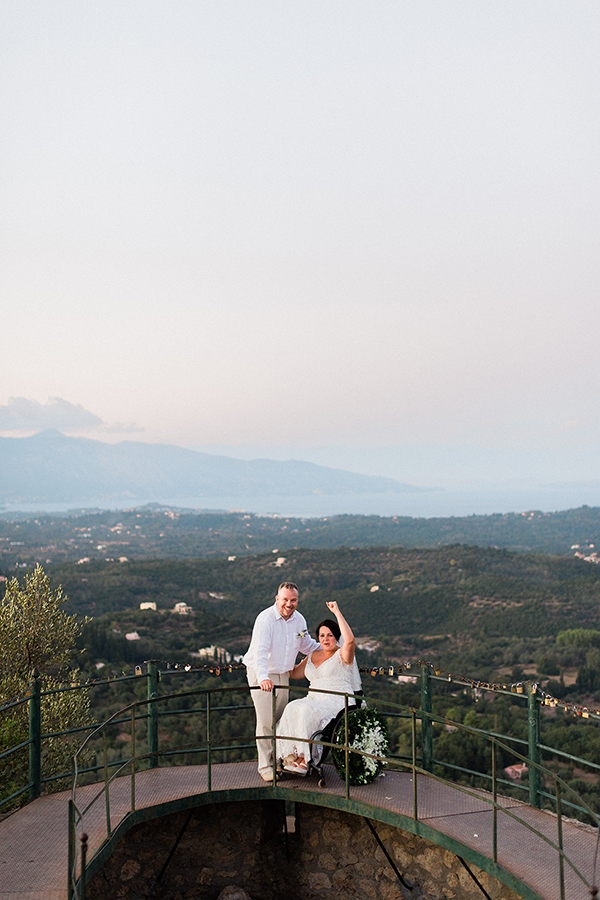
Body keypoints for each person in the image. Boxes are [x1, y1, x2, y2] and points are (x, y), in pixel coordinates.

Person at [243, 581, 319, 781]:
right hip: (262, 673)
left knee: (280, 720)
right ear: (277, 599)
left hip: (283, 674)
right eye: (285, 599)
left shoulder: (299, 621)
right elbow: (260, 652)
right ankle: (266, 767)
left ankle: (280, 761)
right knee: (266, 722)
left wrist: (331, 648)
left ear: (297, 601)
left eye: (293, 600)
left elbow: (306, 644)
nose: (289, 603)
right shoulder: (265, 619)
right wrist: (263, 678)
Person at [276, 600, 359, 776]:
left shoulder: (342, 654)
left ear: (336, 637)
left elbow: (350, 640)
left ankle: (304, 760)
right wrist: (289, 645)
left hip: (336, 699)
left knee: (306, 710)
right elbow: (293, 673)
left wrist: (337, 612)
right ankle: (292, 756)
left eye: (329, 635)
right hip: (314, 698)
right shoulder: (312, 654)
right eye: (322, 635)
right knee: (293, 707)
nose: (325, 639)